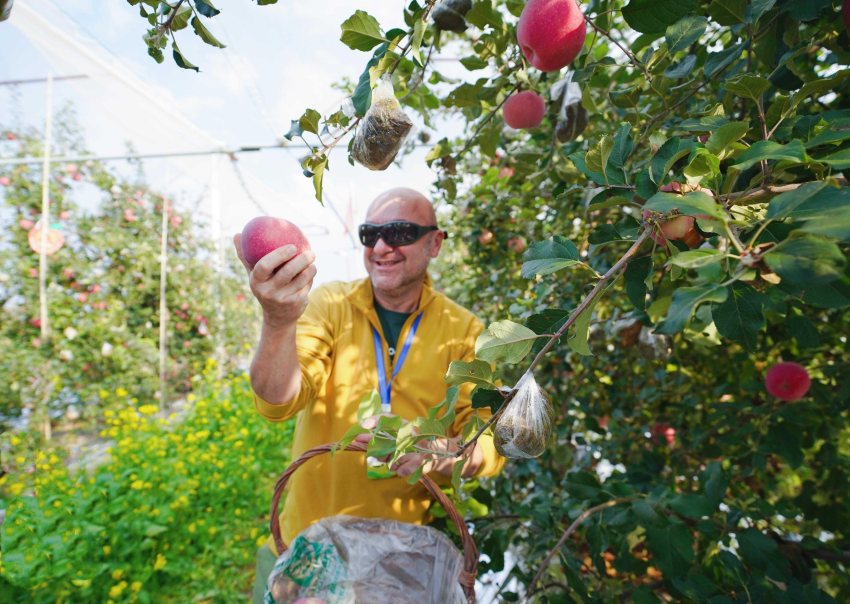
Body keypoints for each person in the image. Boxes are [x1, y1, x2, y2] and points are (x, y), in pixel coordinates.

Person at [234, 187, 505, 603]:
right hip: (307, 550)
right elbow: (279, 398)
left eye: (399, 232)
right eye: (369, 233)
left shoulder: (463, 330)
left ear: (435, 243)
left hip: (401, 563)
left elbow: (488, 439)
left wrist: (444, 454)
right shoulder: (330, 304)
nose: (381, 246)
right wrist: (277, 321)